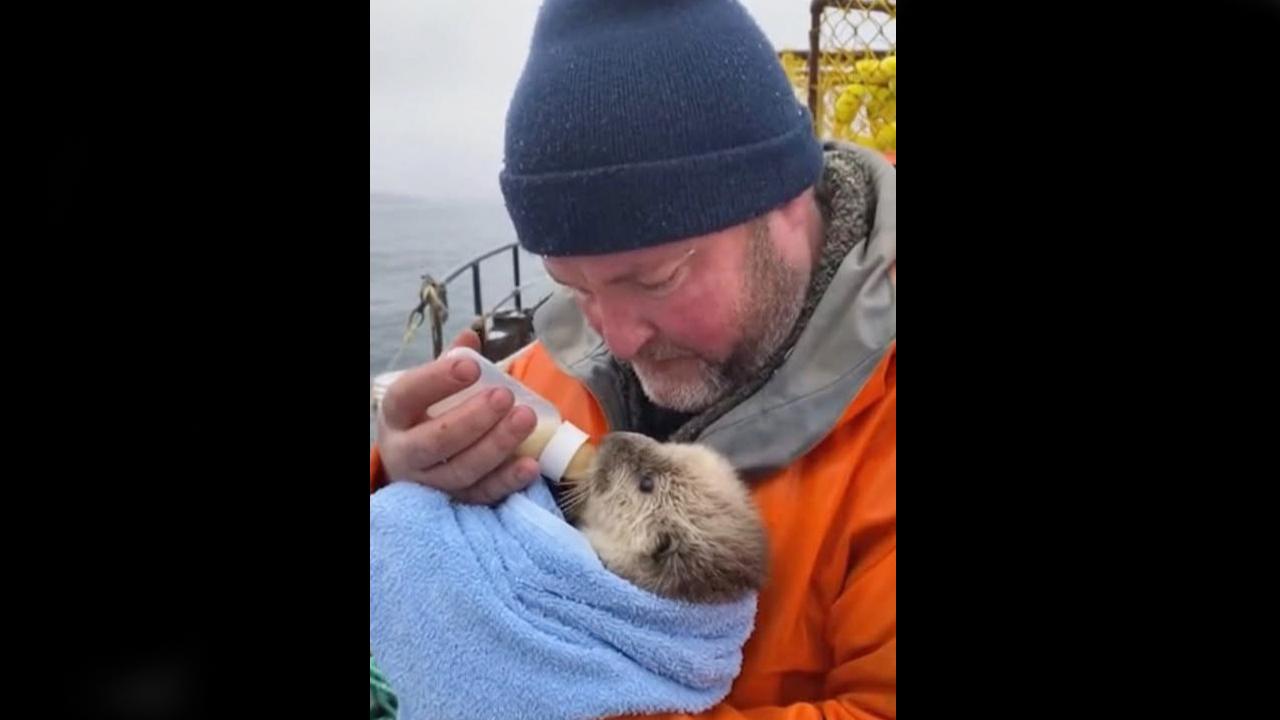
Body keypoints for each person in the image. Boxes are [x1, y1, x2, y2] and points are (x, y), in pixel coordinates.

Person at [371, 0, 896, 717]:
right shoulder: (547, 370)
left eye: (653, 280)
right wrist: (407, 482)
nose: (614, 341)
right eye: (574, 287)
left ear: (787, 200)